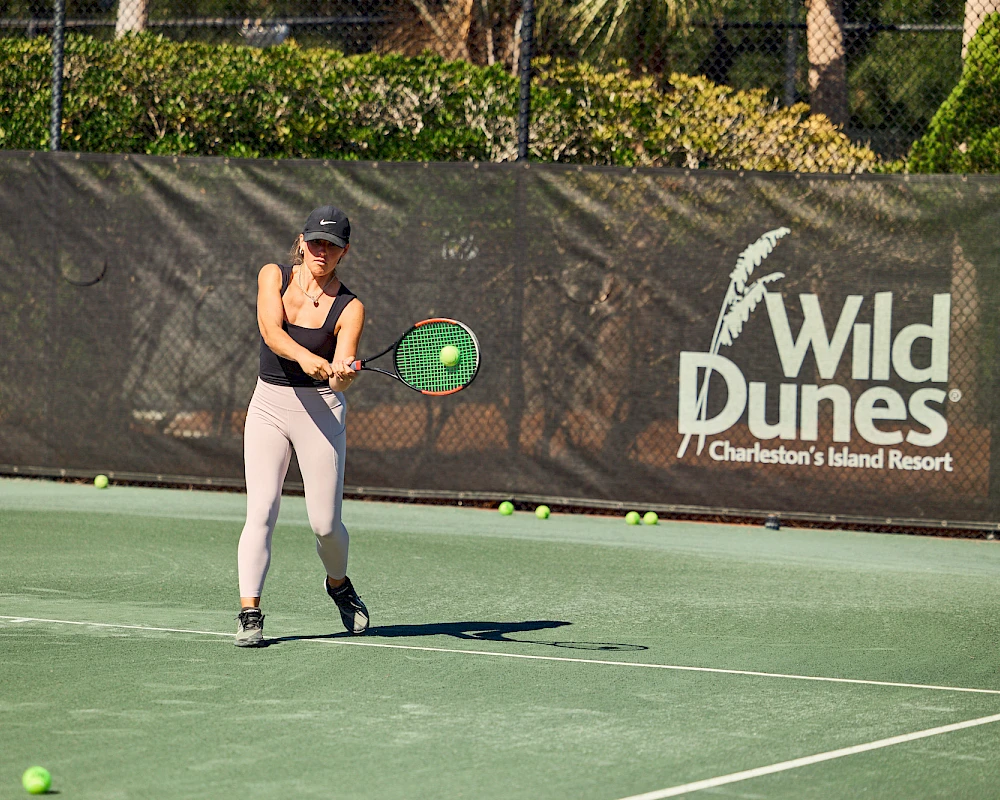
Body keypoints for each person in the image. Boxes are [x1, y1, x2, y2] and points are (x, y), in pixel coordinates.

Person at [234, 205, 368, 647]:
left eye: (331, 245)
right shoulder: (273, 275)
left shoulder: (350, 307)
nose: (321, 251)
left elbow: (341, 367)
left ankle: (338, 584)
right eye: (315, 242)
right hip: (269, 405)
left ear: (343, 251)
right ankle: (250, 613)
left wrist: (341, 373)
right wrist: (308, 357)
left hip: (322, 411)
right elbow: (271, 332)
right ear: (302, 240)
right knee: (262, 510)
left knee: (325, 525)